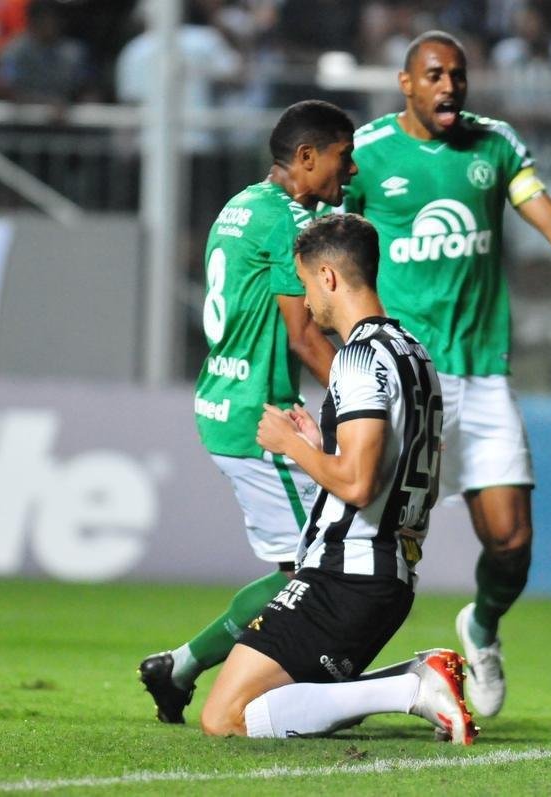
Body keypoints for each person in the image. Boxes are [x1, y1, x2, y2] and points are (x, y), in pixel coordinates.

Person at [342, 29, 551, 717]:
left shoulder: (496, 146)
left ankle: (480, 626)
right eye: (435, 74)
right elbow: (329, 250)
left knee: (511, 540)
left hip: (480, 375)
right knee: (374, 538)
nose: (449, 85)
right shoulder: (365, 155)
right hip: (405, 380)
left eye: (458, 75)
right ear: (407, 83)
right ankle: (341, 666)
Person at [199, 212, 475, 745]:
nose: (304, 302)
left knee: (226, 717)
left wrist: (292, 446)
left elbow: (357, 485)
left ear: (328, 276)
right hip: (384, 578)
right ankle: (413, 683)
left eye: (304, 284)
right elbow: (410, 479)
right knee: (279, 706)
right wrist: (323, 444)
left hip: (343, 577)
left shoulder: (357, 357)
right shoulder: (414, 355)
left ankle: (412, 686)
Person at [137, 100, 351, 723]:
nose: (353, 170)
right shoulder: (286, 221)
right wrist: (377, 391)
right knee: (314, 576)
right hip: (261, 419)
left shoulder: (240, 205)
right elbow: (304, 337)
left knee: (308, 570)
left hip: (224, 400)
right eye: (343, 156)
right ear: (306, 157)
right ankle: (192, 668)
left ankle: (181, 669)